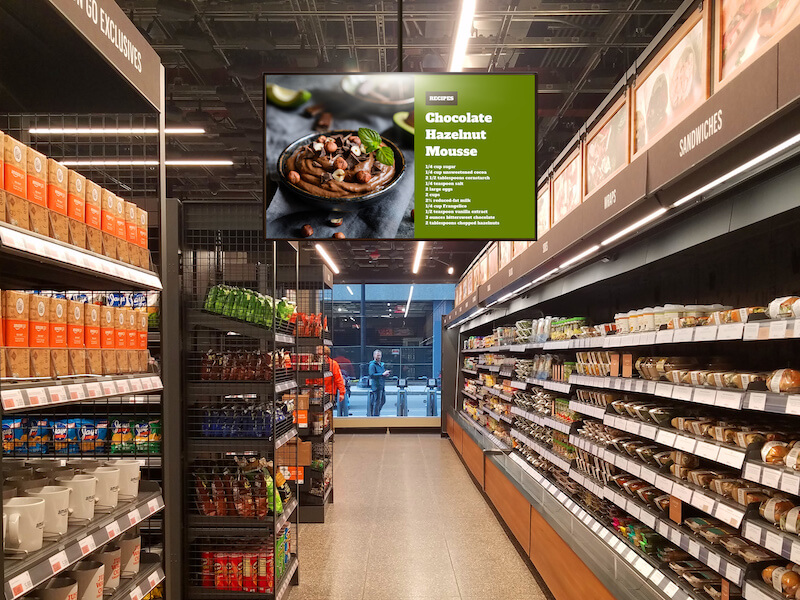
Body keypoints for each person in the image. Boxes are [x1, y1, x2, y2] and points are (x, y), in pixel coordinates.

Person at [320, 346, 346, 416]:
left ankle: (329, 426)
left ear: (327, 355)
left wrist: (342, 393)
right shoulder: (316, 364)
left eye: (323, 356)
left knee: (328, 413)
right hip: (318, 392)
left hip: (329, 393)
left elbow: (339, 379)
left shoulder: (333, 364)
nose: (322, 358)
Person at [368, 349, 390, 416]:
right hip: (376, 386)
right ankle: (375, 415)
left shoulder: (381, 365)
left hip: (381, 385)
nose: (379, 357)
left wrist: (385, 375)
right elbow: (371, 375)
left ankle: (377, 413)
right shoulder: (372, 365)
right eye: (377, 355)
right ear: (374, 356)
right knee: (377, 402)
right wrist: (382, 374)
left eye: (380, 355)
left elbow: (382, 374)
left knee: (383, 401)